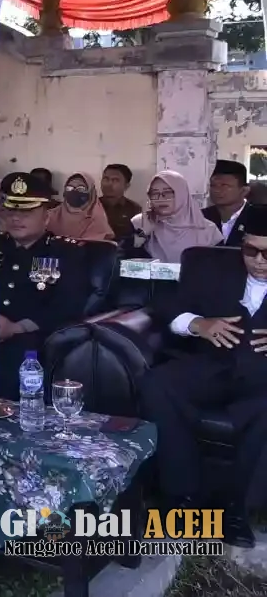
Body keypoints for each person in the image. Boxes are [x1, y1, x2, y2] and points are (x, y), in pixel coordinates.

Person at [141, 204, 267, 549]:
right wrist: (198, 323)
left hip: (263, 379)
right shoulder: (212, 266)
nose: (259, 261)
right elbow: (166, 306)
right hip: (214, 365)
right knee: (158, 384)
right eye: (251, 251)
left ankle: (236, 511)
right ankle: (183, 498)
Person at [0, 172, 90, 400]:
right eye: (12, 211)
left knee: (20, 355)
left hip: (32, 336)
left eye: (26, 212)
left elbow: (69, 304)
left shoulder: (65, 252)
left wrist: (17, 327)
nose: (16, 218)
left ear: (46, 217)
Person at [129, 170, 222, 263]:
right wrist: (143, 234)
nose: (160, 199)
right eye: (154, 193)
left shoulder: (208, 230)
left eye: (167, 193)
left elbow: (218, 267)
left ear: (182, 194)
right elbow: (126, 261)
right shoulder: (139, 223)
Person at [47, 172, 114, 241]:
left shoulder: (97, 219)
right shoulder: (50, 215)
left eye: (81, 189)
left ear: (91, 193)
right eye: (69, 188)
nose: (74, 191)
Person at [204, 160, 250, 246]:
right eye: (213, 185)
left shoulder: (260, 218)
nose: (217, 190)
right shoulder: (201, 217)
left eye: (224, 185)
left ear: (244, 190)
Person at [99, 163, 142, 240]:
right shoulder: (91, 206)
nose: (109, 184)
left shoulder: (134, 209)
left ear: (126, 185)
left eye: (115, 180)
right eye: (106, 179)